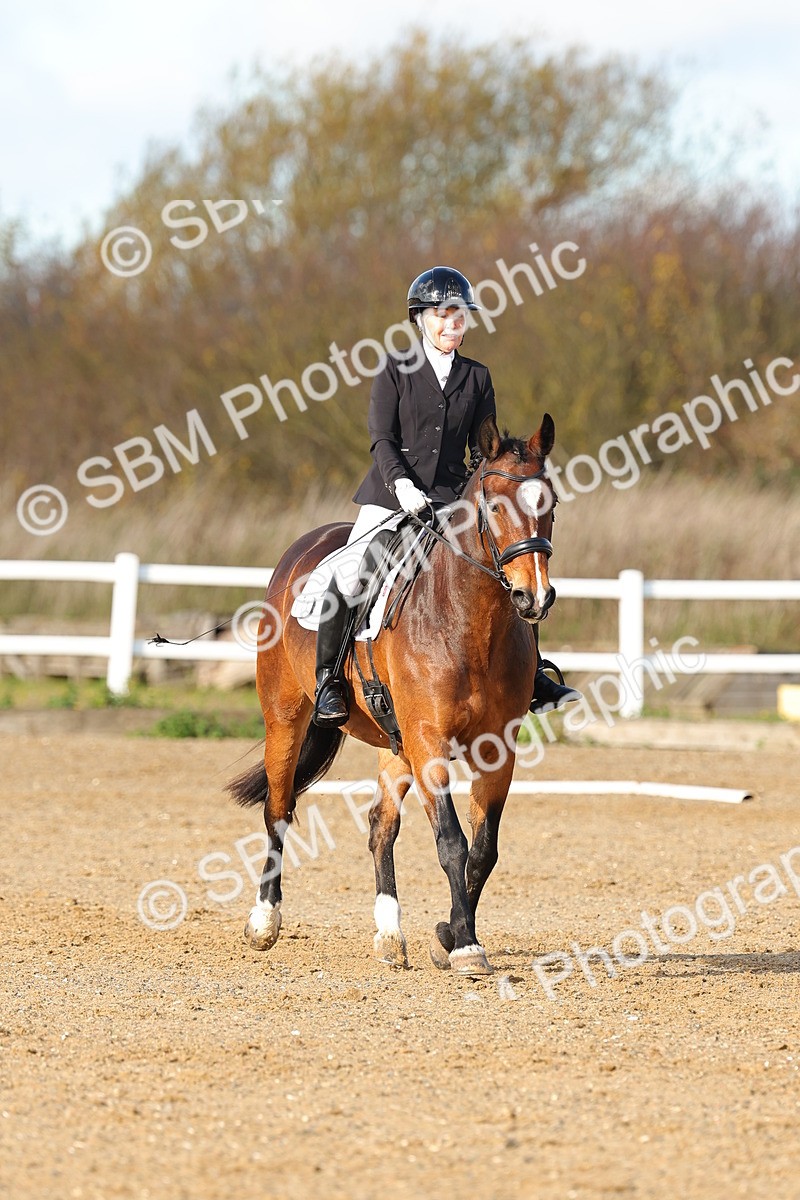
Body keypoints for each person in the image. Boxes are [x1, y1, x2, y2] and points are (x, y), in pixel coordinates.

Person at [312, 265, 580, 726]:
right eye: (442, 315)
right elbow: (382, 438)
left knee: (506, 569)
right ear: (421, 318)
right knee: (354, 572)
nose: (452, 324)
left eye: (459, 316)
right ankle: (328, 681)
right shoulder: (395, 368)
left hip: (453, 501)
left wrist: (475, 492)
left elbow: (484, 449)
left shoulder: (477, 377)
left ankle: (534, 676)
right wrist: (401, 484)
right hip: (391, 496)